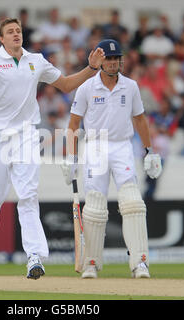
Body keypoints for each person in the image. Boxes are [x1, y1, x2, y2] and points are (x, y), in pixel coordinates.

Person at [0, 17, 105, 279]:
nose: (16, 34)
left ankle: (34, 257)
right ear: (1, 38)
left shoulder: (36, 60)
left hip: (27, 136)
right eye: (10, 32)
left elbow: (65, 84)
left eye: (18, 31)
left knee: (28, 195)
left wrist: (91, 68)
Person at [61, 39, 162, 279]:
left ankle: (140, 263)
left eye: (117, 58)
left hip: (122, 146)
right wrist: (71, 157)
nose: (114, 63)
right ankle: (92, 264)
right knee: (95, 206)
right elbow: (74, 123)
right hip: (95, 146)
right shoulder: (86, 87)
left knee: (134, 204)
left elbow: (139, 119)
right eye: (109, 58)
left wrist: (149, 150)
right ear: (101, 60)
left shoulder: (131, 86)